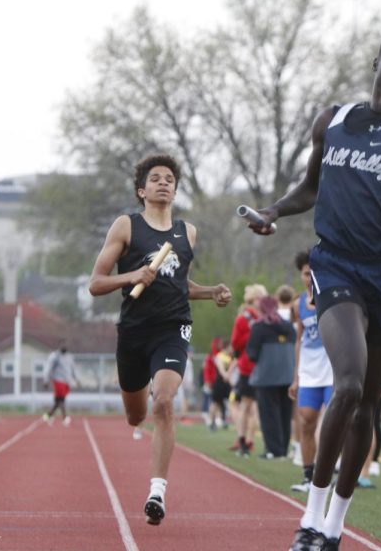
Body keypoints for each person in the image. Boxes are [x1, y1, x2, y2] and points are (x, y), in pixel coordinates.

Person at [247, 32, 381, 551]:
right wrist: (273, 211)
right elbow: (311, 188)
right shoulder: (333, 121)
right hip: (335, 265)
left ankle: (335, 526)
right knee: (347, 385)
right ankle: (309, 519)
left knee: (368, 403)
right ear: (377, 63)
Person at [88, 154, 232, 526]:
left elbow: (179, 284)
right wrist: (131, 275)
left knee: (164, 403)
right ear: (142, 190)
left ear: (175, 189)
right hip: (134, 332)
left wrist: (210, 291)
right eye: (155, 178)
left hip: (172, 329)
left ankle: (157, 492)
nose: (163, 182)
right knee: (136, 415)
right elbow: (96, 283)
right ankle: (140, 415)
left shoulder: (188, 232)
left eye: (169, 178)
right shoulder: (127, 227)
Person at [290, 250, 335, 493]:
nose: (310, 277)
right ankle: (308, 476)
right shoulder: (298, 304)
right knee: (306, 420)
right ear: (301, 275)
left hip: (331, 370)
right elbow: (298, 341)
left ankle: (329, 473)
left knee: (333, 422)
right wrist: (295, 377)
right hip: (309, 371)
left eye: (314, 273)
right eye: (307, 273)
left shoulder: (331, 299)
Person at [247, 295, 297, 459]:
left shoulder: (259, 327)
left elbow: (252, 354)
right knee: (285, 413)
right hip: (288, 375)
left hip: (266, 376)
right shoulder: (288, 326)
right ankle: (283, 448)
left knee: (269, 413)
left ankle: (273, 450)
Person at [232, 284, 267, 457]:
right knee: (246, 405)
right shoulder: (243, 319)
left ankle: (251, 440)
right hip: (248, 367)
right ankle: (242, 441)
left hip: (263, 366)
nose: (263, 301)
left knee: (257, 407)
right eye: (260, 298)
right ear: (253, 299)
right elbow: (236, 343)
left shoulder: (266, 317)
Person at [42, 345, 80, 426]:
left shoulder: (69, 357)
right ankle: (65, 417)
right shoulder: (55, 356)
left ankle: (48, 415)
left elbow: (73, 369)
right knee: (61, 399)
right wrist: (46, 380)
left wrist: (77, 379)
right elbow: (49, 368)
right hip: (58, 380)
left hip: (67, 381)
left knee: (58, 400)